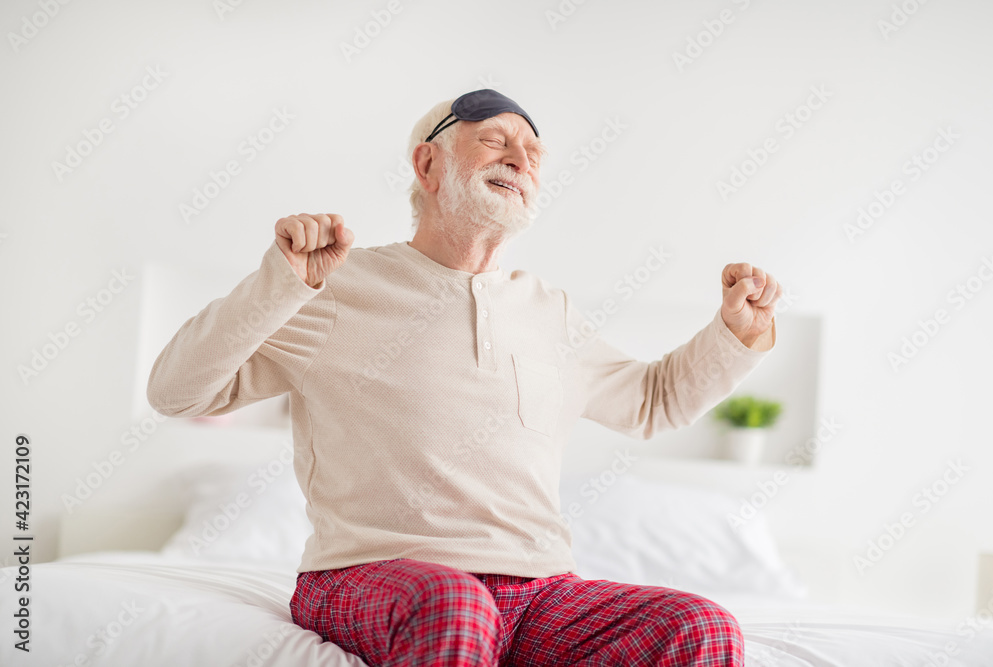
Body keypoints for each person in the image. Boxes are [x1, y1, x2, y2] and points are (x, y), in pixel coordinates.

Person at [147, 88, 782, 667]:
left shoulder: (550, 312)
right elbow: (177, 391)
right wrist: (280, 283)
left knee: (701, 627)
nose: (521, 160)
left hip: (541, 593)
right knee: (456, 607)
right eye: (496, 140)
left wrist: (737, 333)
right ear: (428, 166)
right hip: (371, 574)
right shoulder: (331, 286)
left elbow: (654, 402)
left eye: (534, 153)